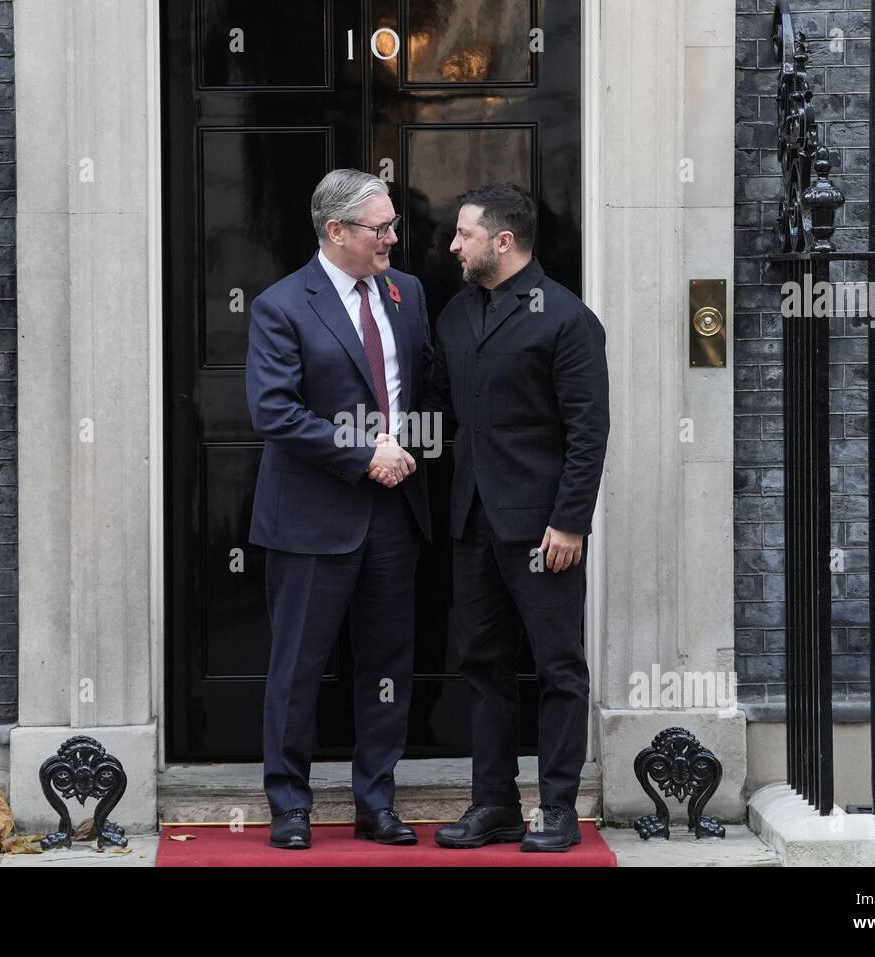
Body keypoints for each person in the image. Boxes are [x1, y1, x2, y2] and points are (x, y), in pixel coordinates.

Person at [418, 182, 609, 852]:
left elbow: (589, 429)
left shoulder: (566, 318)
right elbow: (439, 405)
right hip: (471, 520)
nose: (452, 245)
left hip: (542, 528)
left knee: (559, 667)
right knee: (483, 665)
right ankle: (493, 803)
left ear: (503, 241)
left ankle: (557, 808)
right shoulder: (454, 314)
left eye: (464, 234)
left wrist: (570, 521)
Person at [245, 169, 432, 849]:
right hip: (310, 516)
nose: (392, 237)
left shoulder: (405, 292)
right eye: (379, 228)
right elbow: (274, 410)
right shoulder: (281, 304)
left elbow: (422, 385)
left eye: (390, 225)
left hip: (394, 514)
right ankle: (289, 804)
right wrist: (363, 454)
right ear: (336, 231)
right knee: (297, 667)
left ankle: (375, 802)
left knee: (387, 666)